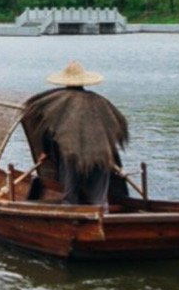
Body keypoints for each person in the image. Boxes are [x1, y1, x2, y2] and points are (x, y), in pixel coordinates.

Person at [22, 60, 131, 206]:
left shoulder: (55, 101)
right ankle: (102, 215)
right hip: (101, 154)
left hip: (71, 153)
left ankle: (72, 216)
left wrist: (46, 150)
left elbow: (48, 129)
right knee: (99, 195)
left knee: (70, 193)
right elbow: (116, 127)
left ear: (65, 81)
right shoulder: (100, 101)